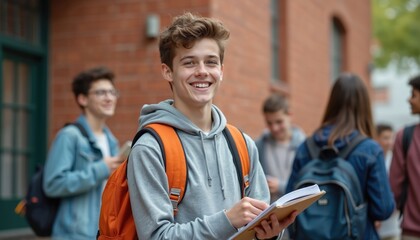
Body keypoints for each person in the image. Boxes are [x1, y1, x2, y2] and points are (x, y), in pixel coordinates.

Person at [126, 12, 296, 240]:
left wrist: (271, 232)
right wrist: (226, 220)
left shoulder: (243, 144)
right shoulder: (150, 148)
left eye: (211, 62)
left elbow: (256, 227)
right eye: (189, 63)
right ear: (168, 71)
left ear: (221, 71)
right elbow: (156, 236)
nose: (202, 71)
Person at [286, 73, 395, 240]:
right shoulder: (370, 150)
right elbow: (383, 209)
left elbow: (289, 203)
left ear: (332, 103)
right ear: (364, 106)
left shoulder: (306, 147)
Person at [43, 66, 123, 239]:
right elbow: (53, 184)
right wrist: (100, 169)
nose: (109, 98)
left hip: (103, 233)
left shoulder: (112, 141)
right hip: (74, 234)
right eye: (101, 92)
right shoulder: (69, 136)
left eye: (112, 92)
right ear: (82, 99)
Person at [255, 93, 305, 203]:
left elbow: (308, 186)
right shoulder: (259, 145)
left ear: (290, 115)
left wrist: (281, 186)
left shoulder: (304, 146)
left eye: (279, 122)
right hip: (271, 213)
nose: (274, 128)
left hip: (299, 213)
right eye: (269, 123)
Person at [390, 74, 420, 240]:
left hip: (412, 232)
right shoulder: (405, 135)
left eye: (414, 95)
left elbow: (394, 185)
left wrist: (383, 213)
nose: (409, 100)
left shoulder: (405, 136)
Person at [375, 123, 401, 240]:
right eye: (385, 138)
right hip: (375, 221)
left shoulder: (397, 160)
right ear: (376, 138)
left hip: (393, 221)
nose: (390, 142)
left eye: (391, 138)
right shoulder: (372, 161)